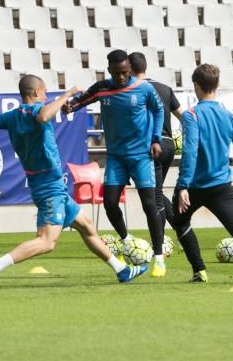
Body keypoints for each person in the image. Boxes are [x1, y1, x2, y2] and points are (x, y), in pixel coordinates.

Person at [0, 76, 148, 289]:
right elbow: (44, 116)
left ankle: (122, 270)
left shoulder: (10, 117)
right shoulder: (36, 111)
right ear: (35, 92)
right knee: (47, 242)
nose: (45, 96)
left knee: (87, 226)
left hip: (50, 186)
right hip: (49, 187)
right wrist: (68, 94)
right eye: (44, 92)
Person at [63, 50, 168, 276]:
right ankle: (127, 240)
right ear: (109, 69)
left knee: (149, 204)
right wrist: (69, 106)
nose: (121, 77)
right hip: (116, 157)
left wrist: (156, 139)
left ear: (130, 69)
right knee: (110, 203)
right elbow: (80, 102)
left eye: (125, 72)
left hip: (141, 156)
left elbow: (159, 110)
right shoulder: (102, 88)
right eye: (117, 73)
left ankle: (159, 257)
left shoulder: (144, 89)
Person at [169, 64, 233, 285]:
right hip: (222, 186)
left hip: (194, 186)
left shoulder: (191, 116)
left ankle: (200, 271)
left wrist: (183, 185)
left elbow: (190, 150)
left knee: (180, 221)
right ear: (217, 85)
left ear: (196, 85)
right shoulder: (228, 115)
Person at [128, 52, 184, 250]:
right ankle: (179, 227)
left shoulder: (133, 90)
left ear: (130, 69)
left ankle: (158, 247)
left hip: (151, 146)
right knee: (156, 192)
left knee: (154, 197)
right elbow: (183, 116)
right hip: (169, 144)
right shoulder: (165, 88)